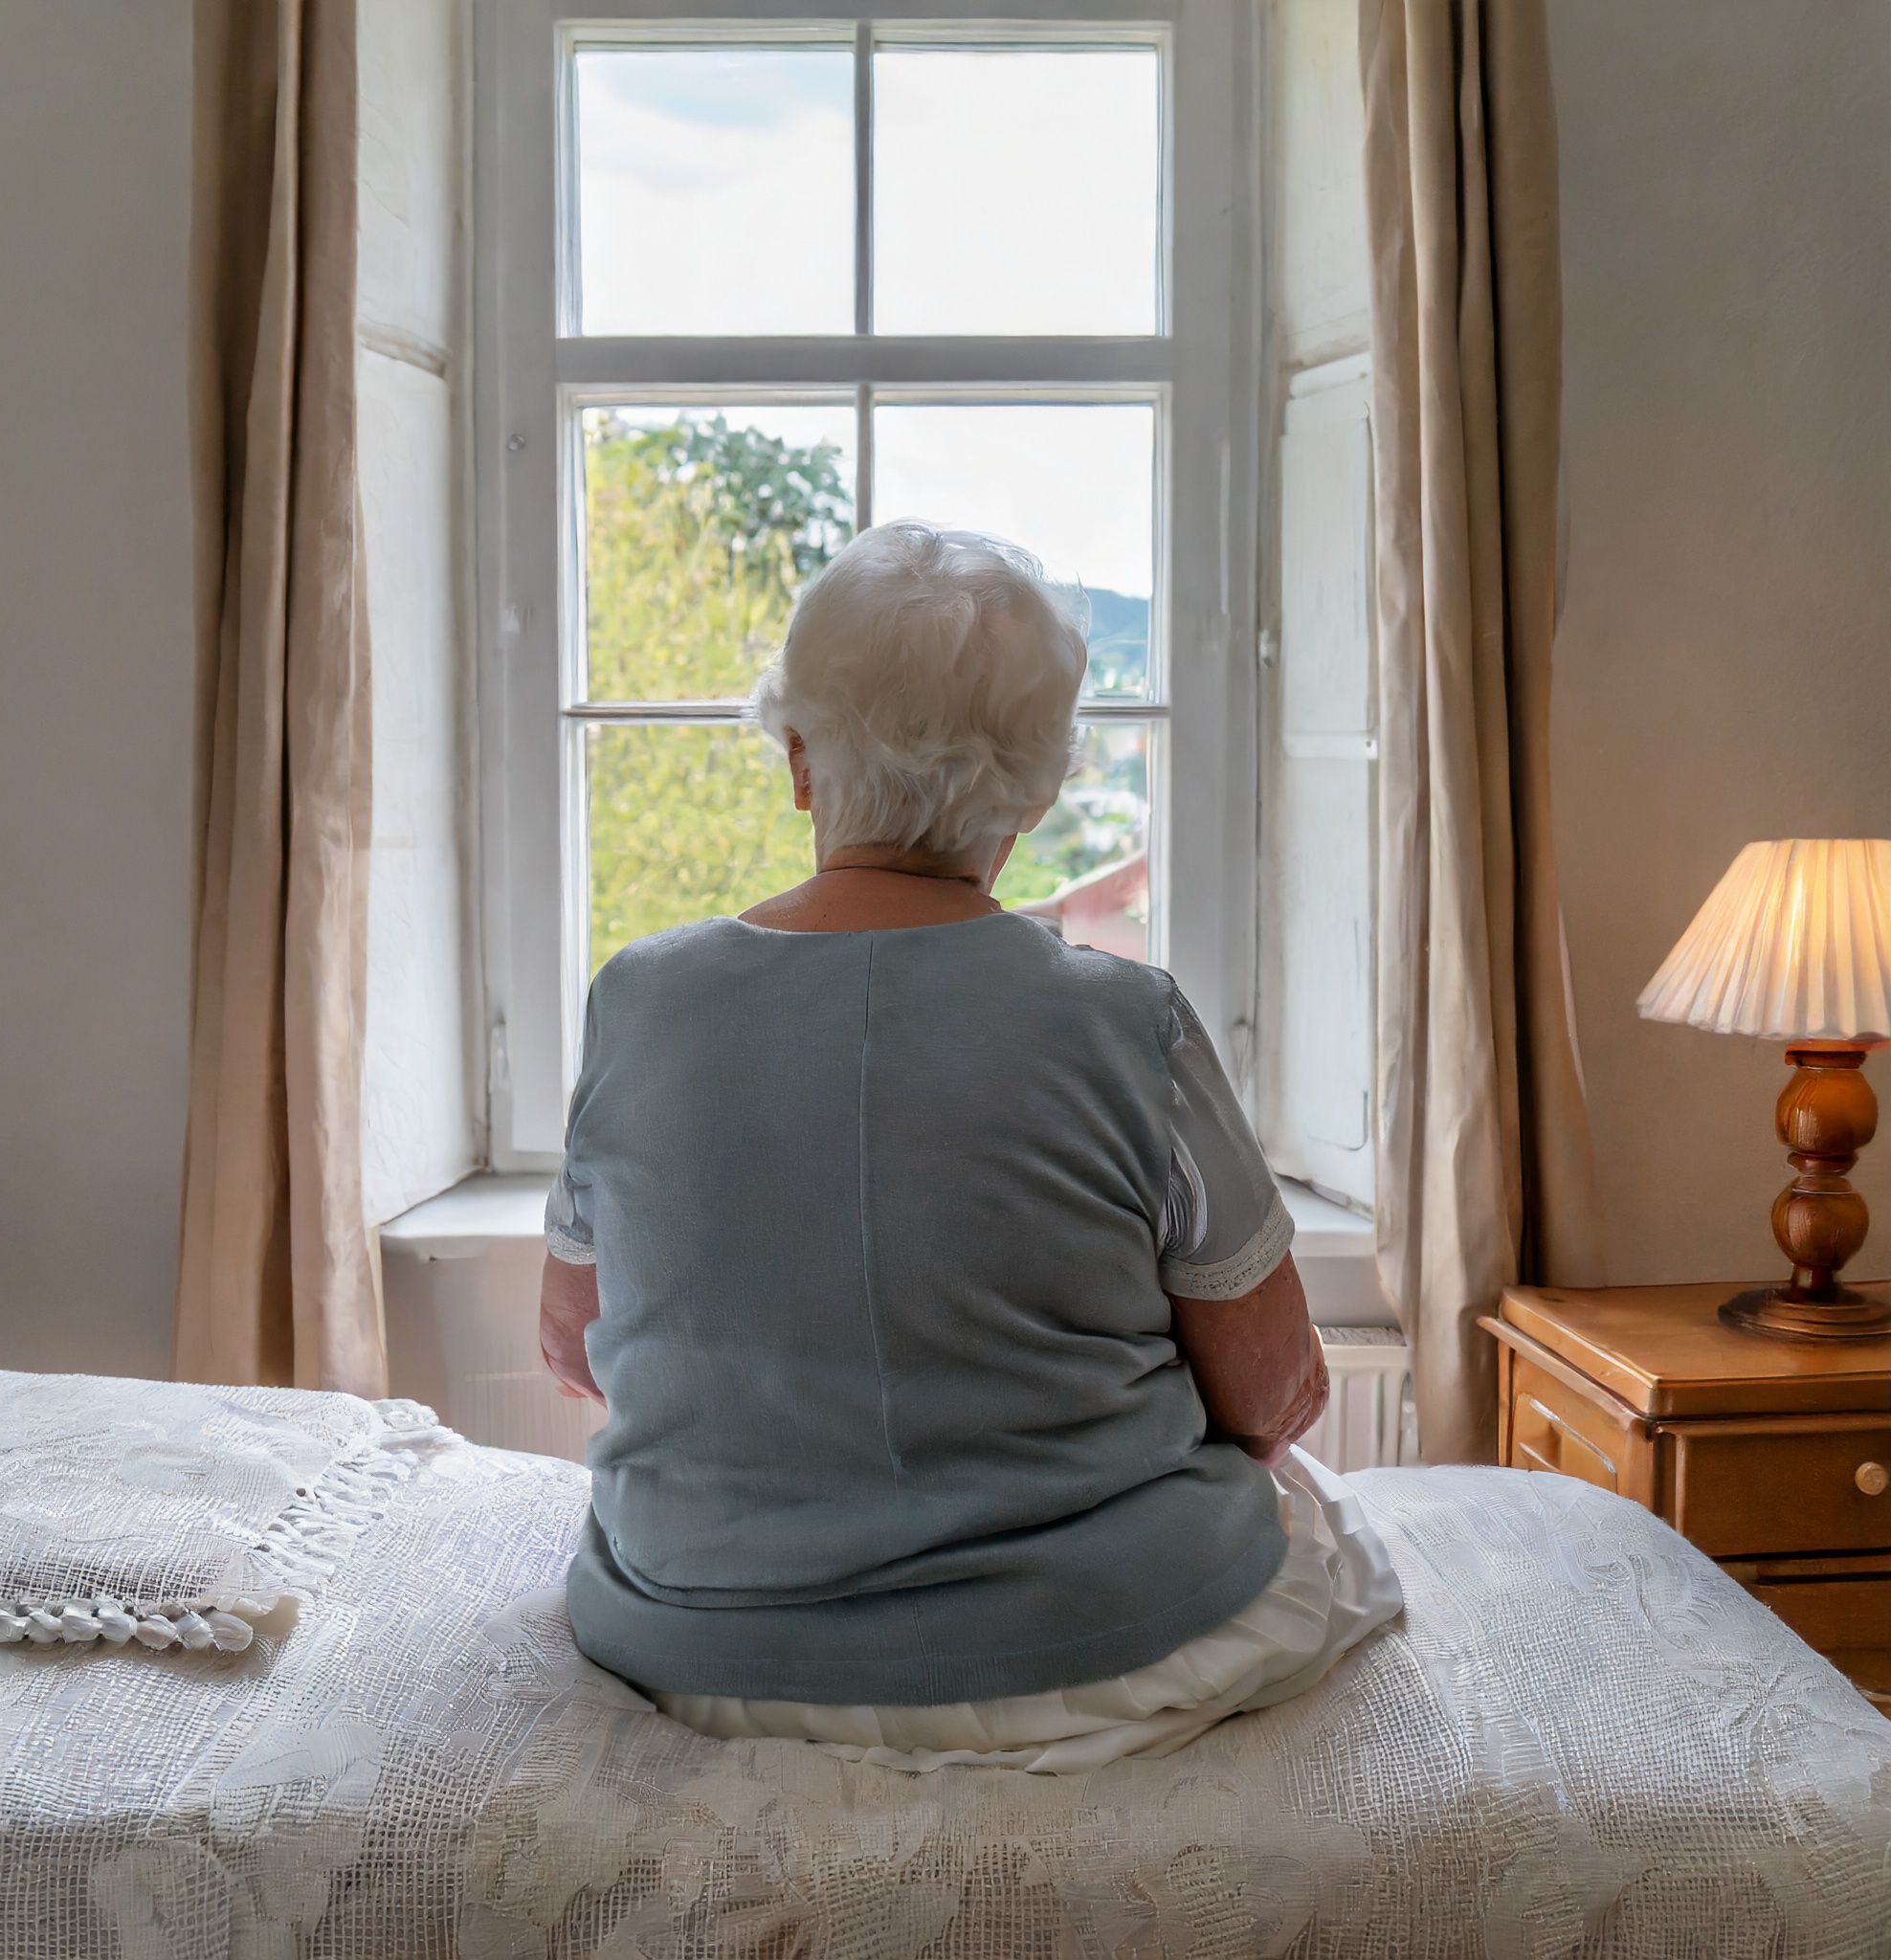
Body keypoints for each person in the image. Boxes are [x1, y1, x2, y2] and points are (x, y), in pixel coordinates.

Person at [539, 521, 1400, 1772]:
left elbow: (571, 1347)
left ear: (796, 762)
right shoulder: (1129, 1020)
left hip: (702, 1654)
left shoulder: (638, 997)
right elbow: (1274, 1396)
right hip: (1096, 1651)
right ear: (1042, 787)